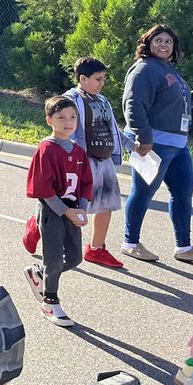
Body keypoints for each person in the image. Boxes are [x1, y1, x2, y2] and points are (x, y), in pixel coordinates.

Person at [121, 24, 193, 264]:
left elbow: (176, 105)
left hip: (177, 145)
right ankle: (130, 243)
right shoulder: (144, 69)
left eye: (168, 41)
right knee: (144, 192)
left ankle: (183, 247)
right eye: (158, 40)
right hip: (154, 144)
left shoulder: (168, 70)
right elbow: (133, 105)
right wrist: (143, 138)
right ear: (148, 43)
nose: (164, 44)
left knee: (183, 193)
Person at [24, 95, 93, 326]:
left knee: (74, 258)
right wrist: (66, 211)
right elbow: (43, 189)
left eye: (73, 117)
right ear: (49, 120)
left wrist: (81, 209)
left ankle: (42, 275)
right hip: (53, 210)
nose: (68, 122)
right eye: (61, 117)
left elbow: (85, 183)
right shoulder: (47, 149)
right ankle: (49, 301)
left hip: (72, 209)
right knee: (53, 259)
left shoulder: (78, 151)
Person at [64, 56, 126, 270]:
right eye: (98, 79)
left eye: (103, 79)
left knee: (106, 203)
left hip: (104, 158)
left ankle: (96, 248)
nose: (102, 83)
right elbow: (63, 126)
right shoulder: (71, 99)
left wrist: (132, 145)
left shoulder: (102, 101)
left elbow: (113, 128)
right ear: (83, 78)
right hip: (82, 161)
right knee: (71, 204)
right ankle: (37, 225)